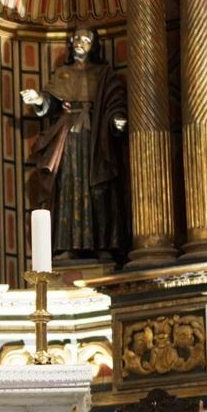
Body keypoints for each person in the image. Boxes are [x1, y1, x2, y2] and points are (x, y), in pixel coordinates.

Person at [20, 28, 128, 260]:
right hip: (68, 136)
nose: (80, 43)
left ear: (94, 46)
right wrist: (39, 98)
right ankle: (66, 245)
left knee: (99, 188)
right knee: (67, 187)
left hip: (96, 136)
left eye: (86, 40)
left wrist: (116, 119)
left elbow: (115, 99)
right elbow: (50, 101)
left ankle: (103, 245)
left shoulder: (103, 73)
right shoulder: (64, 73)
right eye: (77, 39)